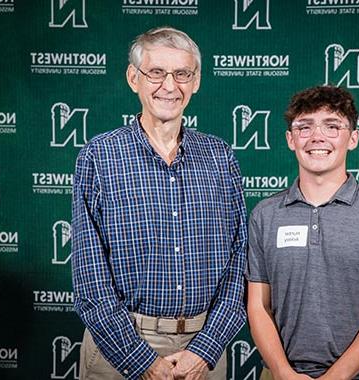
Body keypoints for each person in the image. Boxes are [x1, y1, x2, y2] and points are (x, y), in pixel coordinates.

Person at [71, 26, 247, 380]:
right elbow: (90, 276)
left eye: (182, 74)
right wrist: (141, 360)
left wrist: (206, 348)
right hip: (119, 350)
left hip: (204, 349)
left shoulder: (220, 156)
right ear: (133, 78)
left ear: (195, 81)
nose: (170, 85)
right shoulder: (99, 156)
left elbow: (240, 258)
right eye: (156, 72)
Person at [246, 85, 359, 380]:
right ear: (290, 139)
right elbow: (258, 306)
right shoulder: (265, 214)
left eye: (332, 126)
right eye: (304, 127)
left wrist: (336, 377)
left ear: (353, 139)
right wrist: (283, 373)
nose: (317, 137)